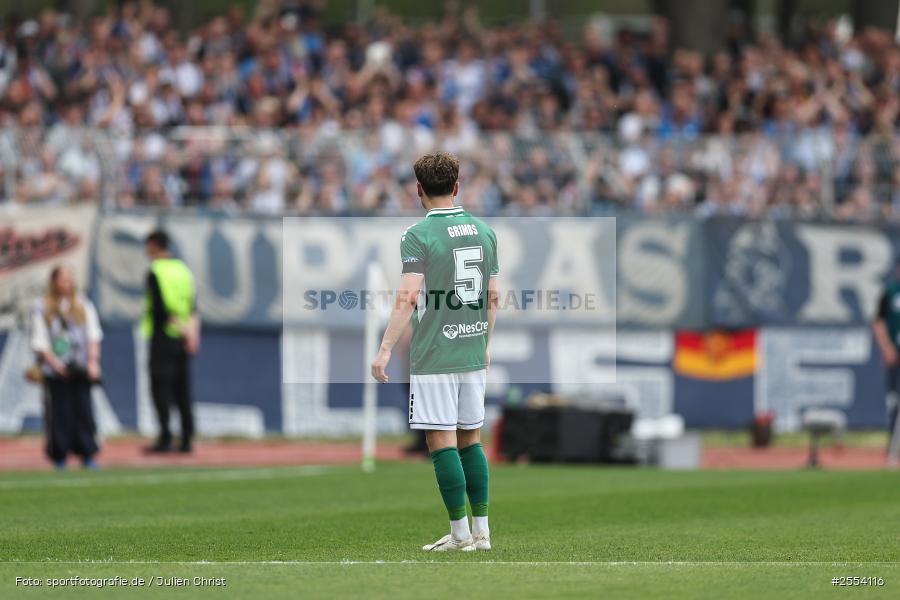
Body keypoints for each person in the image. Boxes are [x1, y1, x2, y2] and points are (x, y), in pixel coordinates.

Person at [371, 152, 499, 552]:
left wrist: (385, 349)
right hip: (472, 346)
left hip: (435, 352)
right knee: (471, 438)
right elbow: (493, 296)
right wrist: (486, 343)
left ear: (419, 190)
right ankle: (482, 532)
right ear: (457, 187)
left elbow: (409, 296)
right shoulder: (484, 231)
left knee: (441, 441)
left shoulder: (418, 234)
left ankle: (460, 535)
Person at [31, 265, 103, 470]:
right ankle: (59, 455)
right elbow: (40, 340)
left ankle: (87, 453)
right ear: (54, 282)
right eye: (63, 279)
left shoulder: (83, 304)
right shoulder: (42, 307)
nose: (67, 283)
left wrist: (92, 362)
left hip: (80, 366)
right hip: (55, 370)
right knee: (59, 414)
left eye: (70, 279)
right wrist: (55, 364)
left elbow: (93, 335)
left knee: (84, 411)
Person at [143, 230, 199, 453]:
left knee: (161, 389)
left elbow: (160, 311)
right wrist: (191, 334)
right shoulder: (183, 270)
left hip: (163, 337)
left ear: (154, 245)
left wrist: (180, 330)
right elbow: (193, 306)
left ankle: (165, 437)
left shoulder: (156, 271)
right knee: (182, 389)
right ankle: (187, 438)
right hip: (183, 339)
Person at [872, 260, 900, 458]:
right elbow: (878, 321)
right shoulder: (889, 293)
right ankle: (894, 444)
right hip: (895, 356)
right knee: (894, 400)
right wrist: (887, 348)